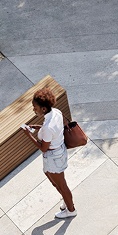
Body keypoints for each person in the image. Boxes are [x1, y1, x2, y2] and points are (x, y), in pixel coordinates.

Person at [26, 91, 76, 219]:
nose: (33, 110)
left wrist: (29, 136)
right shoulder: (56, 112)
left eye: (35, 108)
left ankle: (71, 210)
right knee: (55, 181)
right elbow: (53, 130)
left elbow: (43, 148)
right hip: (58, 151)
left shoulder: (47, 127)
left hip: (53, 156)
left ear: (43, 108)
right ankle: (67, 201)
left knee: (62, 186)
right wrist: (39, 128)